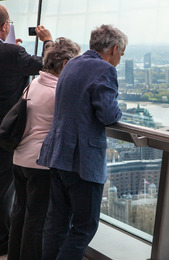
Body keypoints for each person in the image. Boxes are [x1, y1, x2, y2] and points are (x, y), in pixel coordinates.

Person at [37, 24, 127, 260]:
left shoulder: (72, 63)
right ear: (114, 49)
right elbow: (108, 115)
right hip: (83, 163)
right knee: (84, 227)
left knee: (56, 223)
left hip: (58, 155)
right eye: (121, 54)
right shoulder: (105, 70)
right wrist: (119, 112)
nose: (119, 59)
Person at [7, 37, 81, 260]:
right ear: (66, 64)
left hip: (20, 158)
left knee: (20, 214)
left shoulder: (35, 83)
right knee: (37, 221)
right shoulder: (58, 92)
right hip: (40, 164)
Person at [0, 4, 53, 256]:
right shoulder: (12, 54)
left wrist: (13, 50)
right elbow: (46, 65)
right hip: (5, 134)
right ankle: (2, 241)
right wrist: (48, 40)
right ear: (5, 26)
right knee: (3, 189)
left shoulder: (12, 53)